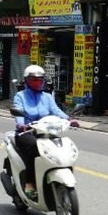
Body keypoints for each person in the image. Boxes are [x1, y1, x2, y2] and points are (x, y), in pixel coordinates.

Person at [12, 64, 77, 200]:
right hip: (26, 133)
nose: (37, 83)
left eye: (39, 80)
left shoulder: (47, 97)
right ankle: (30, 183)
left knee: (60, 148)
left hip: (45, 132)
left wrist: (68, 119)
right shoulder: (20, 96)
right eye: (33, 80)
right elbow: (18, 111)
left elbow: (56, 111)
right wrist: (21, 125)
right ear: (26, 81)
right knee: (34, 149)